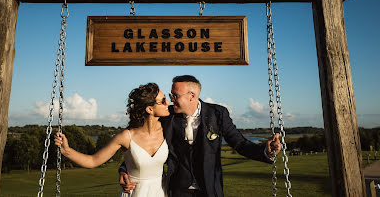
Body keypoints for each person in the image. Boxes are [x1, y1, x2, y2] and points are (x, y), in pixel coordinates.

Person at [120, 75, 281, 197]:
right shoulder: (166, 116)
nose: (171, 100)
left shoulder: (218, 114)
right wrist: (124, 169)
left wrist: (266, 152)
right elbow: (140, 141)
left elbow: (240, 143)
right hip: (178, 190)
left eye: (175, 96)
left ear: (192, 96)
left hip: (210, 190)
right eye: (171, 95)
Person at [55, 82, 170, 197]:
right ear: (149, 109)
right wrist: (66, 151)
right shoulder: (126, 137)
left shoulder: (167, 129)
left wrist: (122, 170)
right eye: (163, 101)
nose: (168, 103)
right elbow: (93, 161)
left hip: (161, 192)